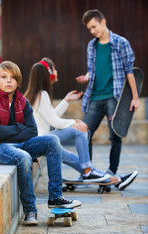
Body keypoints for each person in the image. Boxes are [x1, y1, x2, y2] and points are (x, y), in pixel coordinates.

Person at [0, 61, 81, 226]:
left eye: (13, 77)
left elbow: (32, 131)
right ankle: (30, 211)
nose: (8, 81)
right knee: (24, 157)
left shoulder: (23, 102)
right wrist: (18, 129)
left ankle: (55, 197)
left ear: (18, 82)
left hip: (19, 143)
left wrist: (5, 129)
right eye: (4, 77)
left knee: (52, 140)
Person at [25, 57, 137, 190]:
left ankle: (115, 180)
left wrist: (66, 100)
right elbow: (54, 121)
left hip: (41, 140)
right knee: (78, 130)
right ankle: (91, 172)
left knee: (78, 162)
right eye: (55, 68)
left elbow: (51, 116)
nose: (57, 71)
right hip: (42, 140)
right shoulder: (42, 94)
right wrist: (75, 122)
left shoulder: (37, 94)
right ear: (50, 74)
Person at [76, 9, 139, 182]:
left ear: (103, 22)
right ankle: (87, 171)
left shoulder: (120, 42)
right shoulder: (91, 45)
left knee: (115, 136)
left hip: (114, 97)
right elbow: (91, 71)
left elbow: (129, 71)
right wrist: (86, 77)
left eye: (94, 26)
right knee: (84, 133)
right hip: (94, 98)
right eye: (90, 29)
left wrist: (134, 97)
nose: (93, 31)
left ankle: (111, 171)